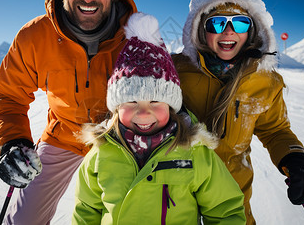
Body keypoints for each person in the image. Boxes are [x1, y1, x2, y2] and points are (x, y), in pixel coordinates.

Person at [0, 0, 137, 224]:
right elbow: (8, 95)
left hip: (120, 138)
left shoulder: (135, 34)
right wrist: (13, 142)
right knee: (23, 220)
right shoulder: (35, 37)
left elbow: (162, 96)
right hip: (64, 136)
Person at [172, 0, 304, 224]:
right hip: (177, 191)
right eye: (218, 23)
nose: (229, 31)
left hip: (231, 196)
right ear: (201, 29)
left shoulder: (265, 81)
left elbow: (275, 130)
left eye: (240, 23)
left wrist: (295, 159)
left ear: (252, 31)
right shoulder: (177, 69)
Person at [72, 12, 246, 224]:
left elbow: (224, 210)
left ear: (171, 106)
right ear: (116, 108)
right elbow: (86, 210)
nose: (144, 113)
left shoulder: (195, 152)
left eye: (155, 101)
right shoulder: (101, 153)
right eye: (132, 102)